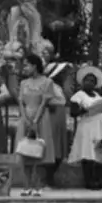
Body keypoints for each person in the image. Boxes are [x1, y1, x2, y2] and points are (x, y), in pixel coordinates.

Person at [15, 53, 65, 197]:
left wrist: (35, 121)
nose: (24, 68)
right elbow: (21, 102)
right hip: (25, 117)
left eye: (27, 65)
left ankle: (37, 185)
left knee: (38, 153)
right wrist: (25, 119)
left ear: (35, 66)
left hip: (41, 118)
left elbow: (44, 103)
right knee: (25, 152)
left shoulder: (47, 82)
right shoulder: (24, 83)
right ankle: (26, 186)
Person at [68, 66, 102, 190]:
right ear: (82, 82)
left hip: (99, 124)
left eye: (92, 81)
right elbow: (73, 112)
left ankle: (100, 179)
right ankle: (89, 181)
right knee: (87, 152)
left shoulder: (97, 95)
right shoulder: (78, 95)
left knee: (100, 152)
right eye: (87, 80)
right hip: (87, 125)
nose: (89, 83)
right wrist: (85, 110)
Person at [43, 61, 72, 189]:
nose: (64, 75)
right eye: (62, 73)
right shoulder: (48, 84)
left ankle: (50, 177)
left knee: (59, 148)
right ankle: (48, 178)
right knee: (53, 147)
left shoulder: (58, 87)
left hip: (60, 116)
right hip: (52, 116)